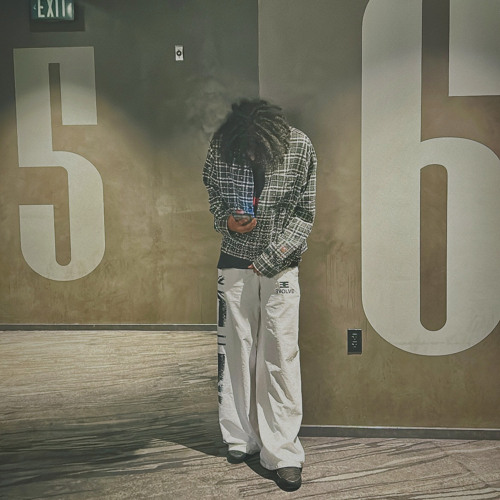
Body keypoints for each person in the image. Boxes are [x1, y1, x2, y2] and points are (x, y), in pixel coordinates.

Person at [203, 99, 317, 491]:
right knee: (235, 350)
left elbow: (304, 214)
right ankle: (241, 436)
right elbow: (212, 190)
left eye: (256, 151)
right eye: (244, 152)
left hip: (280, 264)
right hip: (233, 262)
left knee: (280, 354)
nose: (250, 157)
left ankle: (282, 453)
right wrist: (226, 221)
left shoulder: (300, 147)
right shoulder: (222, 146)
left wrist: (270, 259)